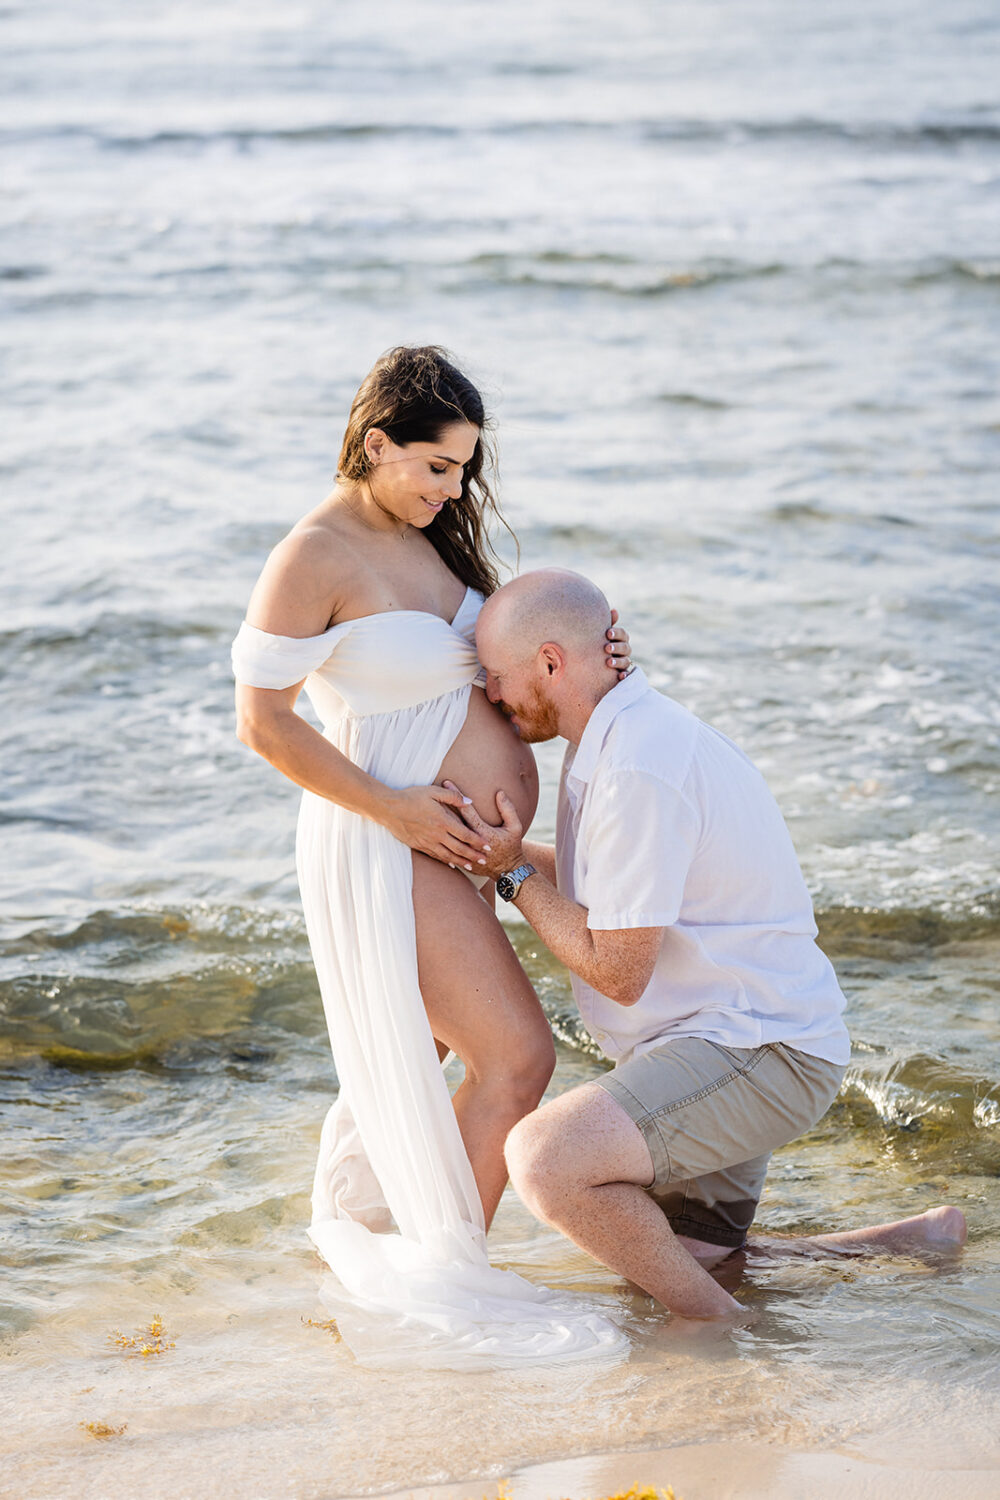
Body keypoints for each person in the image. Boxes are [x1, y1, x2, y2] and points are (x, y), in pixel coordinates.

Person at [230, 349, 630, 1366]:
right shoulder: (312, 555)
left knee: (438, 1061)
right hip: (385, 839)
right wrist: (402, 815)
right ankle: (449, 1273)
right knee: (515, 1058)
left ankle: (408, 1242)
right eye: (435, 467)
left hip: (448, 845)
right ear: (375, 445)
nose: (453, 490)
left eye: (462, 470)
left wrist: (583, 674)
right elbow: (263, 725)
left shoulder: (433, 542)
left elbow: (474, 700)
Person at [450, 567, 968, 1322]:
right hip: (728, 1040)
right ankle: (903, 1243)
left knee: (545, 1162)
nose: (491, 696)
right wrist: (495, 852)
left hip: (756, 1053)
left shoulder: (637, 765)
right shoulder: (622, 734)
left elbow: (617, 969)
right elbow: (617, 884)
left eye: (495, 678)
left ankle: (728, 1337)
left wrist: (512, 876)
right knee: (669, 1256)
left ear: (552, 664)